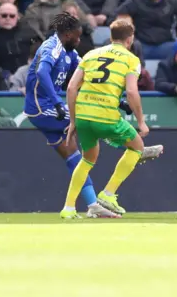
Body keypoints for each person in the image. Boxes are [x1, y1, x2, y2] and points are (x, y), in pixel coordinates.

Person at [23, 12, 121, 219]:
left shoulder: (70, 53)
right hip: (43, 107)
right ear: (67, 34)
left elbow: (88, 77)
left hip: (48, 106)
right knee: (91, 120)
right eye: (77, 36)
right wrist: (58, 104)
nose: (79, 40)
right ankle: (132, 147)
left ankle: (92, 204)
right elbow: (41, 72)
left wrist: (118, 101)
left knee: (73, 157)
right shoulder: (52, 47)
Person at [63, 19, 164, 219]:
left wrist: (73, 121)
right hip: (106, 115)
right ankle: (108, 194)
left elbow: (71, 87)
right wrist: (141, 121)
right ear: (130, 38)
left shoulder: (91, 54)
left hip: (83, 115)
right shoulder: (131, 60)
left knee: (87, 159)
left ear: (110, 37)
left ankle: (68, 208)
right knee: (137, 147)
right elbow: (132, 91)